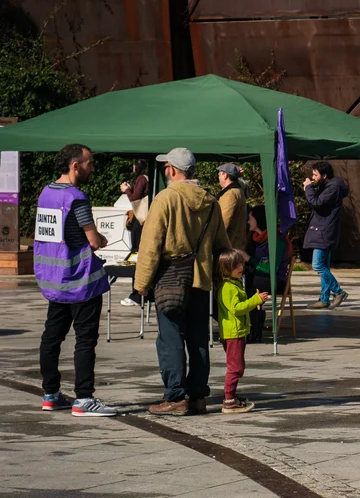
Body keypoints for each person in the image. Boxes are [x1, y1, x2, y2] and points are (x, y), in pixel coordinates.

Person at [135, 148, 231, 416]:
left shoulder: (165, 198)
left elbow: (150, 245)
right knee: (198, 338)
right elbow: (222, 245)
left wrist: (142, 282)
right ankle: (198, 396)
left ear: (171, 169)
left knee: (171, 339)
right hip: (200, 279)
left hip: (170, 278)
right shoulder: (210, 201)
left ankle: (175, 397)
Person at [35, 144, 117, 416]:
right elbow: (92, 240)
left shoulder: (46, 193)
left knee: (52, 337)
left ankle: (50, 394)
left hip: (54, 280)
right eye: (89, 163)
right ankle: (84, 398)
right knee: (85, 340)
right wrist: (99, 239)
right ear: (75, 165)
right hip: (81, 281)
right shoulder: (76, 197)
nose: (92, 168)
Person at [216, 249, 269, 414]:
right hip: (233, 333)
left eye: (241, 264)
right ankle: (229, 400)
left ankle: (231, 396)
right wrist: (255, 300)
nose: (241, 267)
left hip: (236, 332)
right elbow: (237, 309)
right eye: (236, 265)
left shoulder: (233, 284)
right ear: (226, 268)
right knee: (235, 367)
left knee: (237, 366)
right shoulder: (228, 287)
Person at [303, 161, 350, 309]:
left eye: (315, 175)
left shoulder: (333, 189)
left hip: (324, 232)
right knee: (324, 266)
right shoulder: (328, 186)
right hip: (323, 231)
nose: (313, 177)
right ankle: (324, 299)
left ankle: (338, 291)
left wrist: (308, 188)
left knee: (317, 265)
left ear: (324, 176)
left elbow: (316, 203)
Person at [246, 205, 293, 342]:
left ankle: (254, 328)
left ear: (259, 220)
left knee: (249, 285)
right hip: (257, 276)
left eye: (250, 218)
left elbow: (271, 269)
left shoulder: (277, 241)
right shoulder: (253, 239)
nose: (248, 221)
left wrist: (249, 259)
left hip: (275, 280)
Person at [120, 159, 151, 307]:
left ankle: (136, 294)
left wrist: (126, 190)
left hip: (140, 221)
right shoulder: (150, 178)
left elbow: (135, 198)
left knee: (136, 254)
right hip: (145, 221)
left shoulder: (141, 179)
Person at [216, 163, 249, 250]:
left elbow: (223, 222)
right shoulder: (237, 191)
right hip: (234, 244)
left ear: (225, 175)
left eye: (219, 174)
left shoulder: (230, 194)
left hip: (230, 245)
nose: (218, 177)